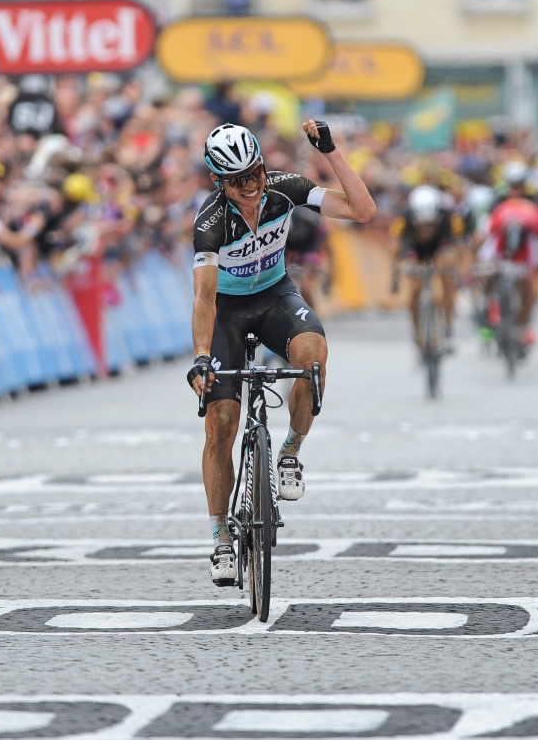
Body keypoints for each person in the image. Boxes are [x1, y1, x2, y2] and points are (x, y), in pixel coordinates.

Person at [187, 120, 375, 586]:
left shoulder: (283, 189)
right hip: (228, 313)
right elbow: (205, 300)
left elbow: (362, 210)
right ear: (218, 181)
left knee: (312, 358)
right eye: (237, 182)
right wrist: (202, 357)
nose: (250, 188)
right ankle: (220, 540)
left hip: (275, 297)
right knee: (221, 426)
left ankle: (289, 451)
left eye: (254, 174)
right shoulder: (210, 224)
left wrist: (329, 152)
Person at [393, 184, 465, 349]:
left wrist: (458, 271)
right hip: (414, 249)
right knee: (414, 291)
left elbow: (459, 248)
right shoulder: (404, 217)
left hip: (440, 247)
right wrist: (395, 275)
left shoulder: (449, 217)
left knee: (446, 272)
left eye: (431, 225)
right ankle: (418, 331)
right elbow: (396, 249)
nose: (427, 230)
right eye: (422, 226)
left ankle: (447, 325)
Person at [482, 161, 538, 346]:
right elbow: (488, 229)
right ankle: (488, 307)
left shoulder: (534, 201)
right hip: (499, 248)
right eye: (512, 185)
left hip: (526, 249)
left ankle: (523, 325)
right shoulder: (498, 201)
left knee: (528, 285)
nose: (516, 189)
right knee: (487, 272)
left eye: (519, 185)